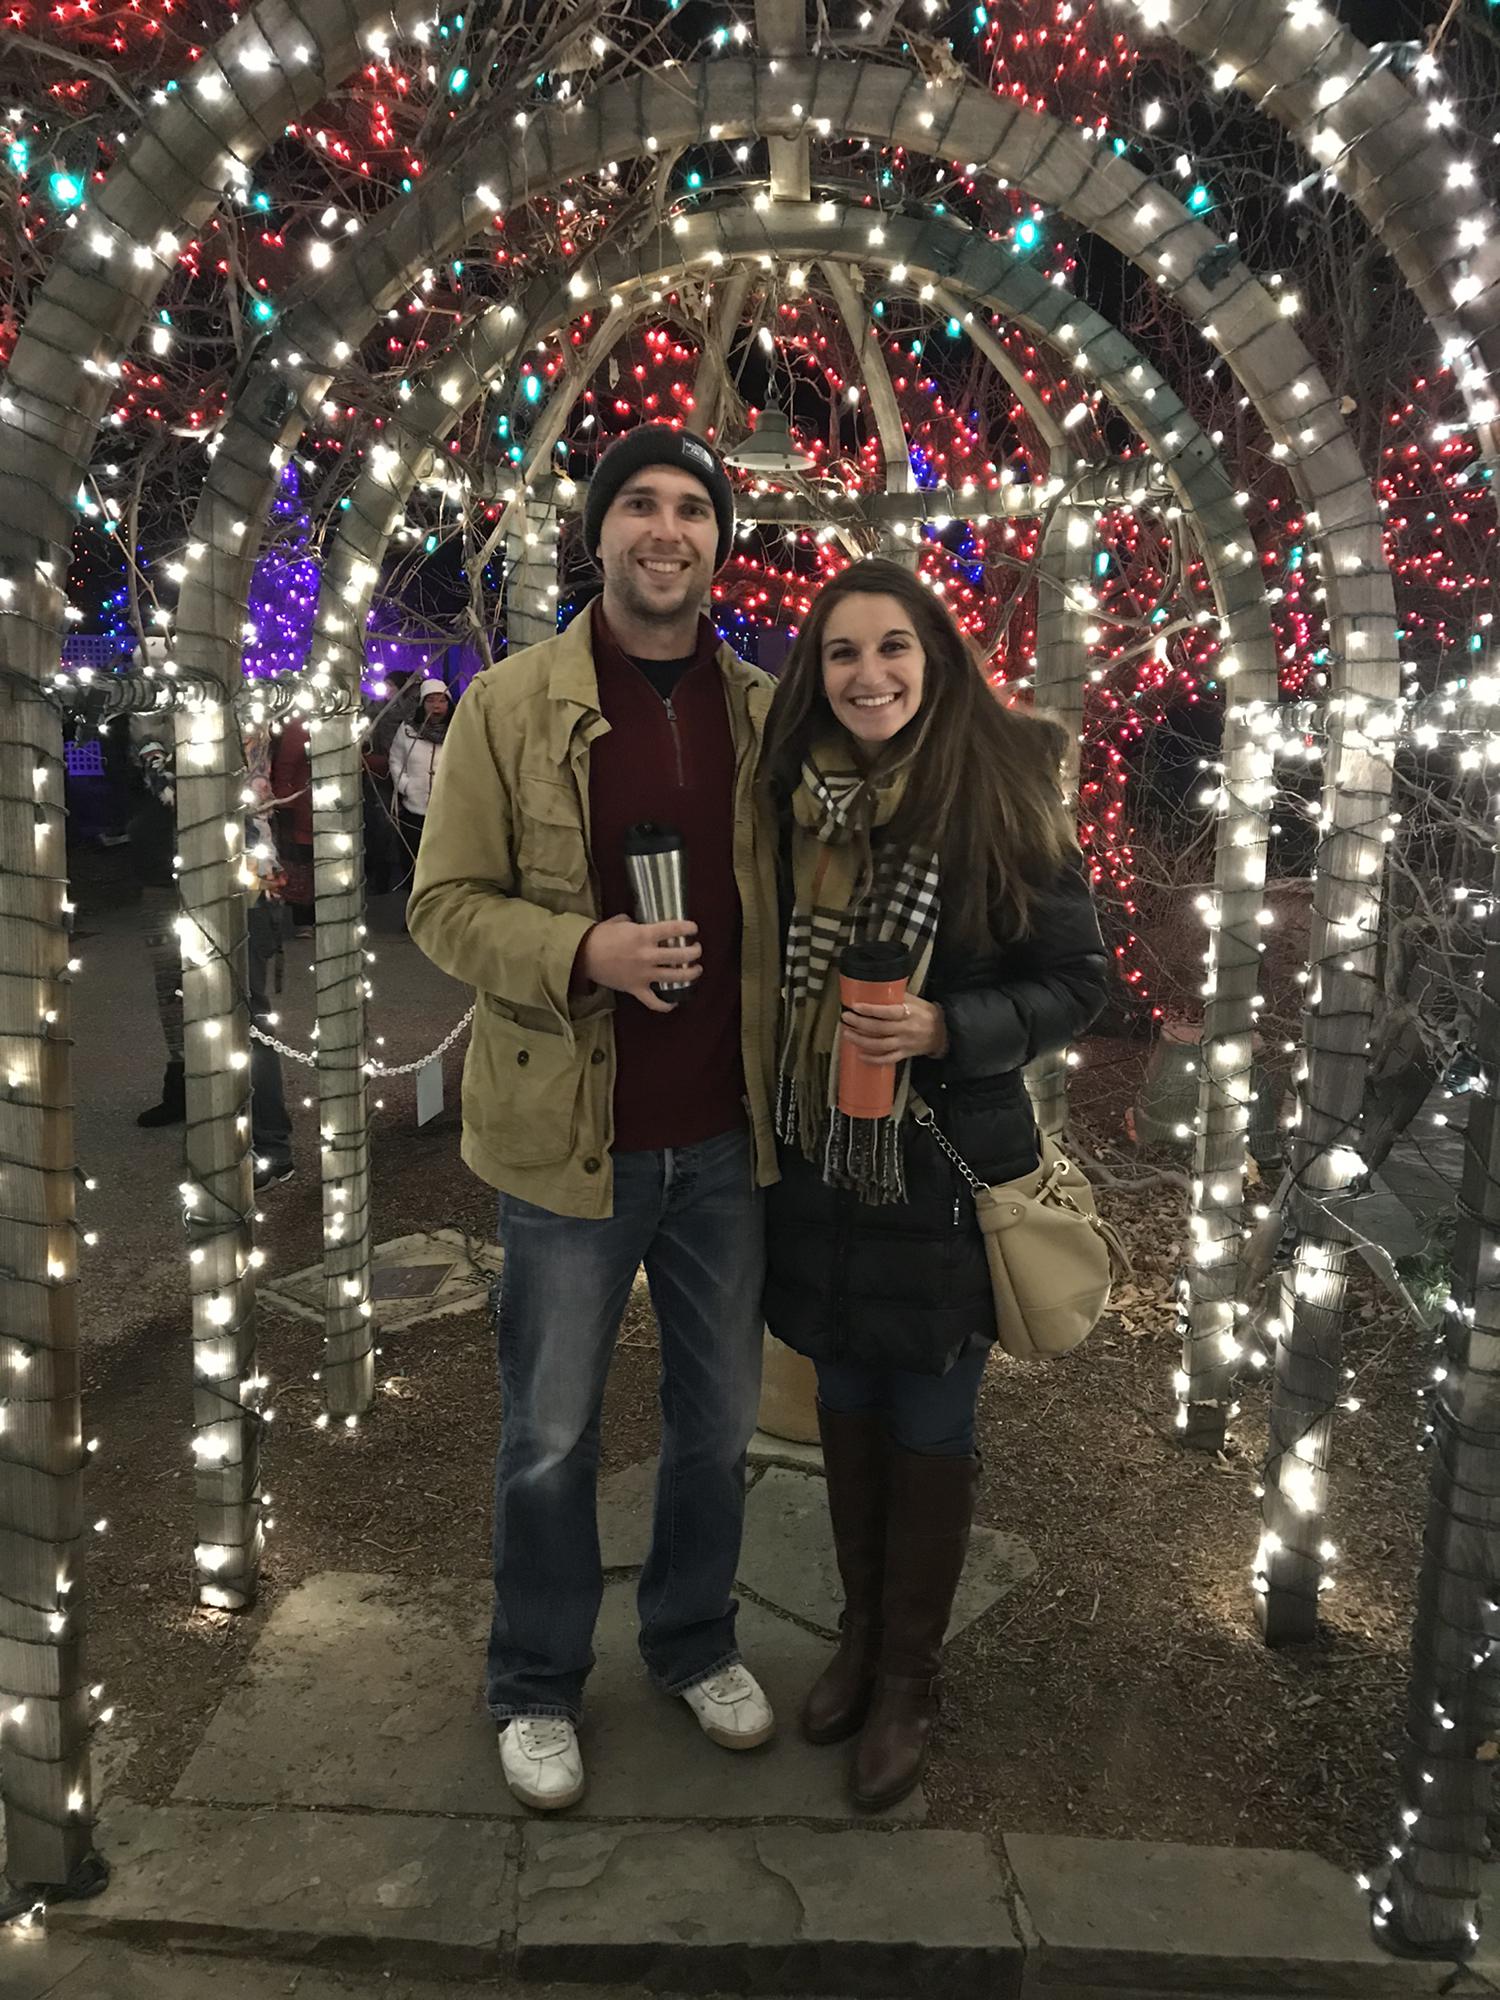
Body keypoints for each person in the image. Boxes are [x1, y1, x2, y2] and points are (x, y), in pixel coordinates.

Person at [407, 427, 782, 1813]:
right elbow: (443, 905)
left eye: (692, 508)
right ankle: (536, 1680)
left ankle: (693, 1639)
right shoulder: (509, 705)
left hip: (730, 1139)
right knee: (551, 1435)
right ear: (599, 531)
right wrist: (583, 950)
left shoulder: (767, 712)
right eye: (640, 504)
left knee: (718, 1424)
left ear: (720, 540)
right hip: (571, 1141)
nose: (666, 528)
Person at [760, 558, 1109, 1813]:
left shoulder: (999, 786)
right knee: (845, 1399)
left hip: (945, 1165)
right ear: (817, 673)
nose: (870, 674)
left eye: (893, 647)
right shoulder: (789, 800)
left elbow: (1077, 981)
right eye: (843, 651)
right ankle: (859, 1639)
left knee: (931, 1418)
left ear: (937, 655)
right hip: (821, 1159)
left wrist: (949, 1026)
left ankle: (909, 1675)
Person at [388, 676, 450, 891]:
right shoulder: (408, 730)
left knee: (444, 863)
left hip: (447, 811)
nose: (436, 706)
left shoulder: (458, 730)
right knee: (413, 862)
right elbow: (395, 760)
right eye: (431, 700)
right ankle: (414, 904)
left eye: (442, 700)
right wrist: (406, 786)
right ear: (422, 703)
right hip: (414, 809)